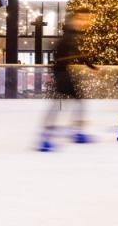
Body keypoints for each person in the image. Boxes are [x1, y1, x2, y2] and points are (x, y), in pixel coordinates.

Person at [39, 9, 96, 151]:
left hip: (64, 72)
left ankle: (75, 132)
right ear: (76, 18)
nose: (87, 22)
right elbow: (60, 55)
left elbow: (76, 53)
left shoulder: (72, 34)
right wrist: (84, 60)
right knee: (59, 103)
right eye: (84, 18)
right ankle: (45, 138)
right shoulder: (69, 35)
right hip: (61, 72)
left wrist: (90, 65)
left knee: (75, 100)